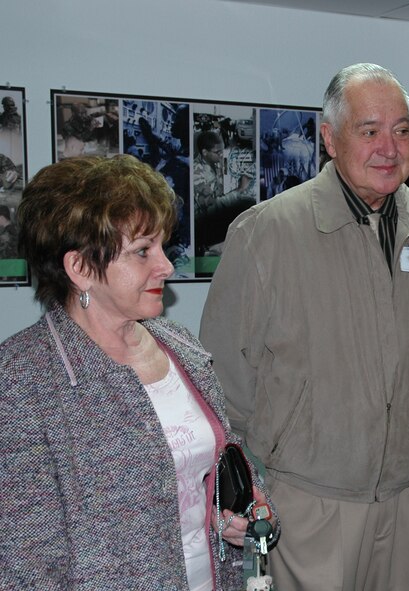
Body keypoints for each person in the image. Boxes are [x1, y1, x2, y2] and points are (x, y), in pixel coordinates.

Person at [200, 62, 409, 591]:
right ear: (329, 139)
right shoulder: (268, 232)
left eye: (402, 129)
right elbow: (224, 375)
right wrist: (263, 472)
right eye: (370, 131)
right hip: (309, 505)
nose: (389, 147)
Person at [0, 155, 277, 590]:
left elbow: (217, 462)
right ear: (80, 268)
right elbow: (25, 562)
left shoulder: (179, 345)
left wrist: (239, 511)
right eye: (142, 251)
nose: (166, 266)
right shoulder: (24, 380)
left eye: (162, 246)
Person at [193, 130, 254, 255]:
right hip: (204, 224)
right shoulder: (197, 172)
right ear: (204, 152)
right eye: (217, 152)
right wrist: (239, 190)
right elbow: (211, 206)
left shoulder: (213, 163)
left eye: (222, 151)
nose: (221, 155)